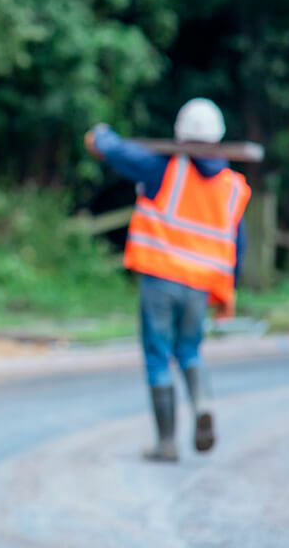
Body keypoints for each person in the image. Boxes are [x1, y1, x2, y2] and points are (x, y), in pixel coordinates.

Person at [85, 98, 250, 463]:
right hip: (200, 286)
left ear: (180, 133)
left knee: (159, 356)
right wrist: (229, 290)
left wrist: (101, 136)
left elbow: (117, 151)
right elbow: (238, 244)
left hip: (161, 278)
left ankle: (166, 443)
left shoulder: (165, 169)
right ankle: (203, 403)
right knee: (189, 351)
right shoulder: (231, 187)